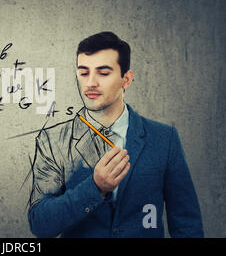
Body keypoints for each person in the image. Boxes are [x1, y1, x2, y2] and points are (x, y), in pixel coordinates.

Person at [27, 32, 204, 238]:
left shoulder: (164, 138)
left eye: (103, 73)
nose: (90, 83)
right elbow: (40, 223)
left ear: (126, 79)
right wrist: (95, 187)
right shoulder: (53, 140)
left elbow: (186, 223)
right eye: (84, 73)